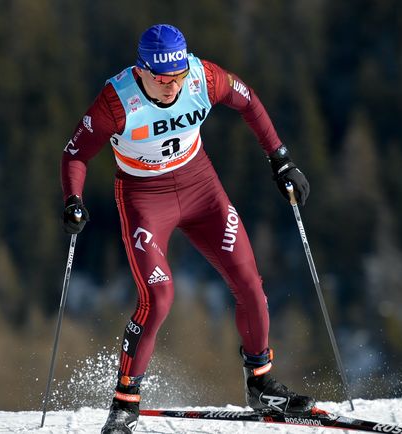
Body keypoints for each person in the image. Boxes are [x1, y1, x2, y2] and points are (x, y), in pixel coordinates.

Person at [60, 24, 314, 434]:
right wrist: (73, 200)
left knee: (249, 282)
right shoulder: (115, 101)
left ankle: (261, 385)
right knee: (158, 297)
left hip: (202, 188)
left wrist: (280, 158)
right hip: (144, 199)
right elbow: (75, 155)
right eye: (162, 80)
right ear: (141, 71)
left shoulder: (203, 77)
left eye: (177, 78)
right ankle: (125, 404)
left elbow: (248, 101)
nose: (172, 88)